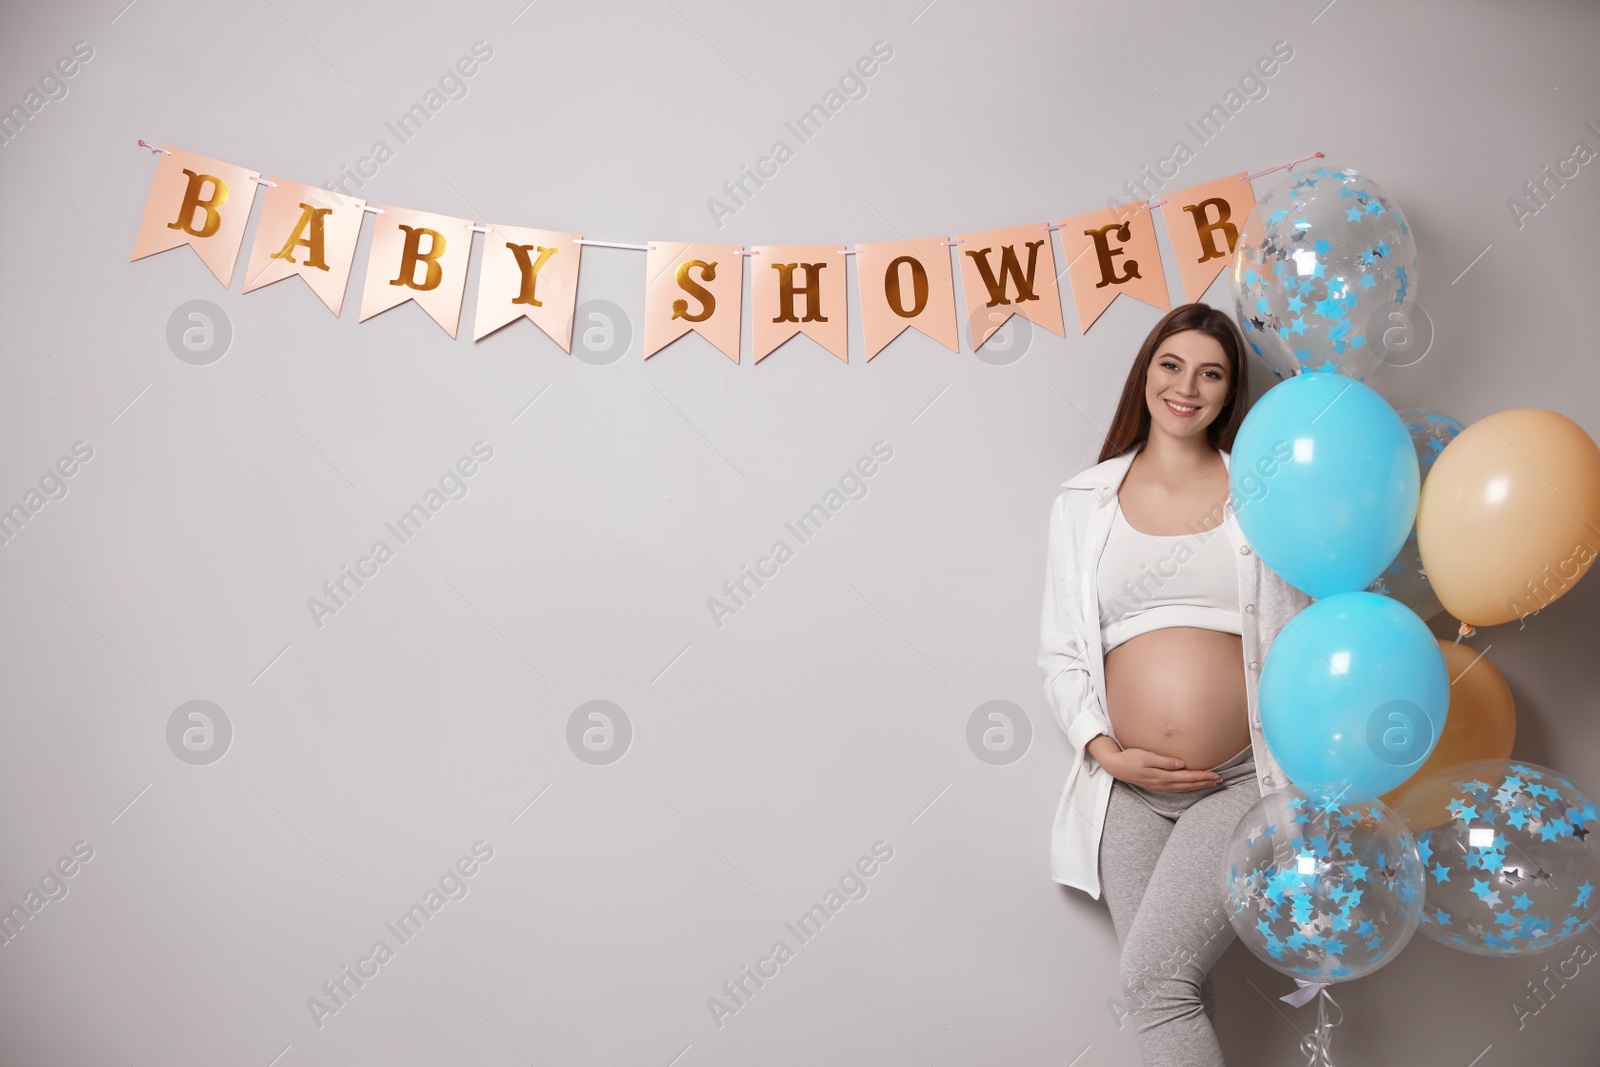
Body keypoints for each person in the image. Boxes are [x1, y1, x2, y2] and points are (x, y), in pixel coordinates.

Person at [1037, 302, 1312, 1066]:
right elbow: (1060, 651)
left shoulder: (1260, 495)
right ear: (1147, 372)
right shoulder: (1085, 501)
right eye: (1172, 364)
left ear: (1230, 393)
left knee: (1155, 983)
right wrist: (1107, 751)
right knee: (1175, 988)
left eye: (1212, 373)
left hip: (1240, 779)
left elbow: (1298, 633)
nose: (1187, 386)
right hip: (1126, 791)